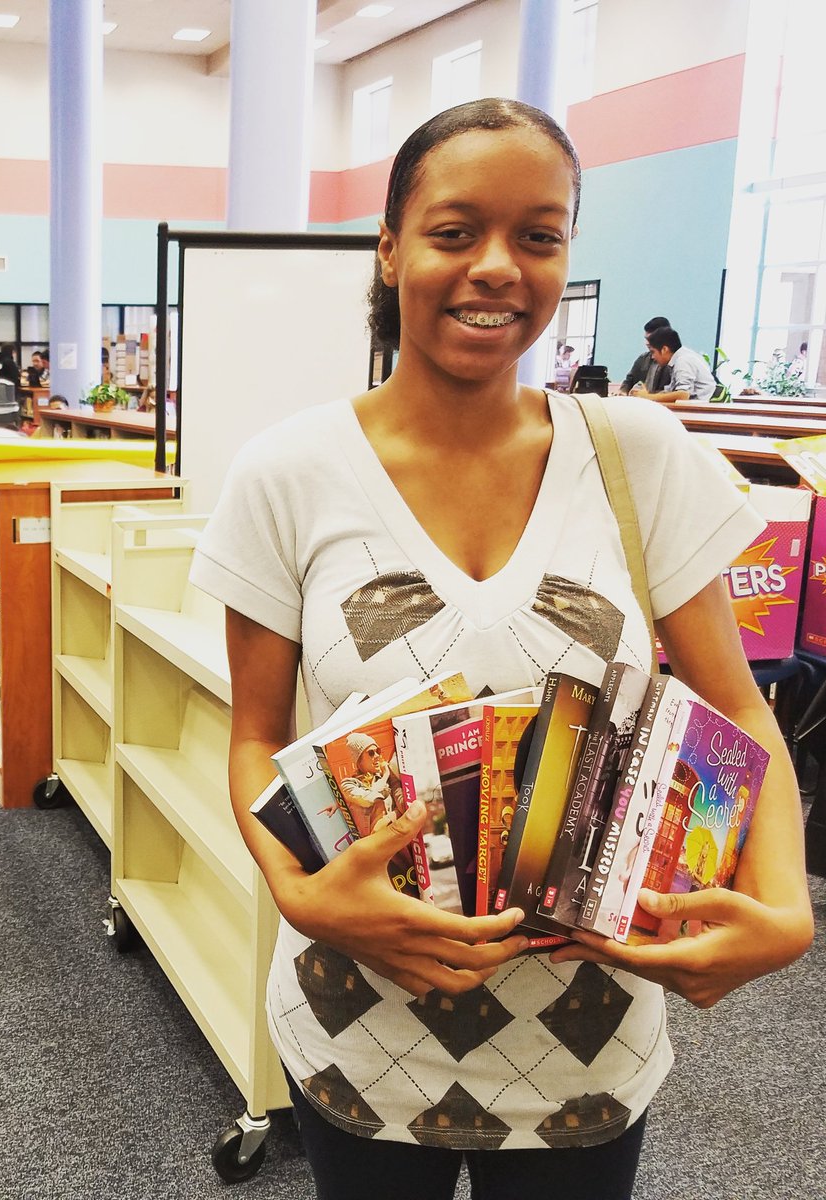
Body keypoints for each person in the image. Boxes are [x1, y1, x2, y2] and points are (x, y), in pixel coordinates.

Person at [188, 98, 812, 1200]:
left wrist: (785, 909)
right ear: (389, 248)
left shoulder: (638, 452)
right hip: (360, 1027)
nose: (496, 268)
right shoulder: (287, 474)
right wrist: (299, 896)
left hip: (587, 1034)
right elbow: (255, 740)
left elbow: (741, 712)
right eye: (453, 231)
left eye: (539, 235)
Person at [630, 326, 716, 402]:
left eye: (653, 352)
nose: (652, 357)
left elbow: (683, 395)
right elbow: (673, 391)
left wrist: (648, 397)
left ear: (664, 349)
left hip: (698, 412)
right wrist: (645, 394)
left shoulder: (683, 361)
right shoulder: (680, 358)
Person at [620, 317, 673, 394]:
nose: (647, 343)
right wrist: (622, 391)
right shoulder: (643, 358)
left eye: (651, 339)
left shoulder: (675, 362)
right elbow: (629, 381)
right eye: (646, 339)